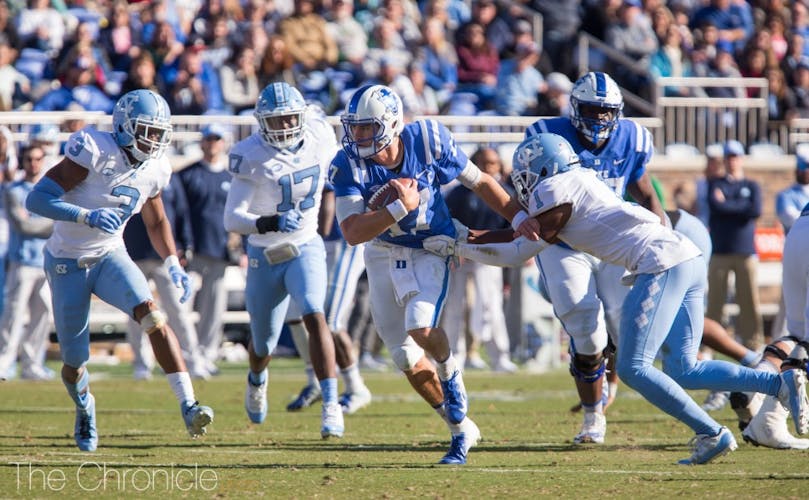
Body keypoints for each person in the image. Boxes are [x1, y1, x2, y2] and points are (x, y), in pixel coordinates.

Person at [423, 132, 809, 465]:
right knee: (683, 368)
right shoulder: (580, 179)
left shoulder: (552, 188)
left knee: (633, 367)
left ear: (538, 170)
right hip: (683, 255)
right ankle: (775, 386)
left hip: (660, 262)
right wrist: (467, 240)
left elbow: (523, 245)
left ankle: (713, 432)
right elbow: (525, 238)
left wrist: (462, 240)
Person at [330, 84, 530, 464]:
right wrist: (395, 210)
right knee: (403, 355)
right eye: (354, 128)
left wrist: (518, 216)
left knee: (419, 327)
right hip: (382, 250)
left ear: (391, 124)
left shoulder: (427, 138)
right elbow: (353, 233)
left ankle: (451, 371)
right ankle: (460, 430)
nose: (357, 136)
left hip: (431, 246)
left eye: (366, 128)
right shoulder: (347, 163)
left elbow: (482, 182)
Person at [24, 89, 214, 451]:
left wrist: (173, 262)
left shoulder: (156, 167)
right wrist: (85, 215)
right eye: (147, 130)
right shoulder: (93, 149)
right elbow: (37, 199)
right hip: (67, 261)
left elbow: (157, 221)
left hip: (111, 255)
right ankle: (84, 407)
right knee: (74, 361)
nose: (154, 140)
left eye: (159, 133)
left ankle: (189, 404)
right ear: (125, 127)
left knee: (153, 316)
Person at [522, 71, 664, 445]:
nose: (599, 119)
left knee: (622, 324)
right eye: (591, 110)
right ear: (573, 107)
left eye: (606, 112)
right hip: (565, 245)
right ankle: (592, 416)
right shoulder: (547, 135)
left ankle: (608, 383)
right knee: (584, 324)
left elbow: (643, 187)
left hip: (614, 244)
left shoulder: (632, 137)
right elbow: (528, 191)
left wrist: (661, 224)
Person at [223, 82, 343, 438]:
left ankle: (332, 403)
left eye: (290, 119)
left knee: (314, 312)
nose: (284, 127)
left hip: (306, 244)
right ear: (261, 123)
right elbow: (232, 218)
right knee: (264, 344)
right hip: (265, 252)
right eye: (275, 121)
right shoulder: (251, 154)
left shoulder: (320, 136)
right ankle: (257, 379)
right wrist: (269, 221)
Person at [287, 187, 373, 415]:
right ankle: (314, 379)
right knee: (295, 313)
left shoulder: (332, 153)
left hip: (342, 239)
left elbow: (329, 198)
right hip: (311, 240)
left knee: (329, 321)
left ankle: (356, 387)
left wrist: (318, 233)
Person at [123, 173, 210, 381]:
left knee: (178, 310)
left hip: (164, 256)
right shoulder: (127, 175)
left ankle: (191, 361)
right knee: (136, 312)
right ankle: (142, 364)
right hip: (134, 253)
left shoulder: (168, 177)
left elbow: (180, 213)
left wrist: (185, 245)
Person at [177, 123, 233, 375]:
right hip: (194, 251)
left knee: (214, 307)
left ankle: (207, 354)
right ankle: (187, 355)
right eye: (208, 139)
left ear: (223, 143)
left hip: (220, 251)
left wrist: (236, 244)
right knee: (184, 306)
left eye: (216, 139)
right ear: (202, 142)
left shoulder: (231, 177)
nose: (212, 144)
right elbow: (179, 213)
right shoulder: (188, 175)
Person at [0, 144, 53, 381]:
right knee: (13, 315)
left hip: (44, 262)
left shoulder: (50, 191)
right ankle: (5, 363)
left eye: (37, 159)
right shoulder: (13, 191)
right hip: (22, 261)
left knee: (42, 316)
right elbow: (23, 226)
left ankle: (33, 364)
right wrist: (48, 224)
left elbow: (51, 224)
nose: (33, 164)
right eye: (29, 159)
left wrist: (38, 223)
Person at [706, 140, 764, 351]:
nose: (732, 161)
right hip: (720, 250)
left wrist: (728, 204)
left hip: (745, 251)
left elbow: (755, 210)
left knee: (748, 301)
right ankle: (710, 344)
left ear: (741, 159)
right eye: (729, 157)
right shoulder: (715, 183)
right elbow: (716, 207)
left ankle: (753, 342)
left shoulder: (751, 185)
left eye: (735, 156)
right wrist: (740, 207)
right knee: (715, 302)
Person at [770, 150, 809, 339]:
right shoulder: (786, 194)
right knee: (790, 309)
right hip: (796, 251)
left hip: (797, 248)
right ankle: (780, 345)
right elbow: (791, 219)